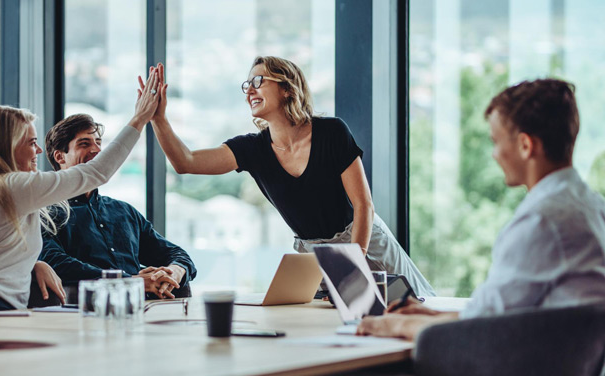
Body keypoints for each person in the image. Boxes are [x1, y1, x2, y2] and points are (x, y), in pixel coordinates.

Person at [145, 56, 435, 297]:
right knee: (332, 327)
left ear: (286, 88)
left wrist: (352, 262)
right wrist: (158, 119)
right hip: (313, 256)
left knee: (417, 307)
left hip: (363, 240)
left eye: (259, 81)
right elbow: (186, 162)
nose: (249, 90)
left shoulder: (332, 132)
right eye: (247, 84)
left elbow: (364, 206)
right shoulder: (252, 149)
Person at [357, 78, 605, 340]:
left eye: (496, 142)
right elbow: (496, 312)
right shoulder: (591, 207)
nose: (494, 154)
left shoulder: (542, 220)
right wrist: (430, 315)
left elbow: (482, 329)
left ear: (525, 145)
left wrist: (394, 326)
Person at [0, 67, 162, 313]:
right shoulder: (12, 186)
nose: (38, 151)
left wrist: (35, 263)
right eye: (31, 142)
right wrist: (139, 119)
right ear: (8, 146)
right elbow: (96, 172)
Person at [39, 114, 197, 299]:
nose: (97, 150)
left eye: (98, 142)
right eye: (84, 144)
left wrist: (174, 272)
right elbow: (55, 262)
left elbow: (177, 254)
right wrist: (129, 281)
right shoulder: (46, 213)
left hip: (146, 311)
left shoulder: (124, 211)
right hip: (87, 312)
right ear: (60, 157)